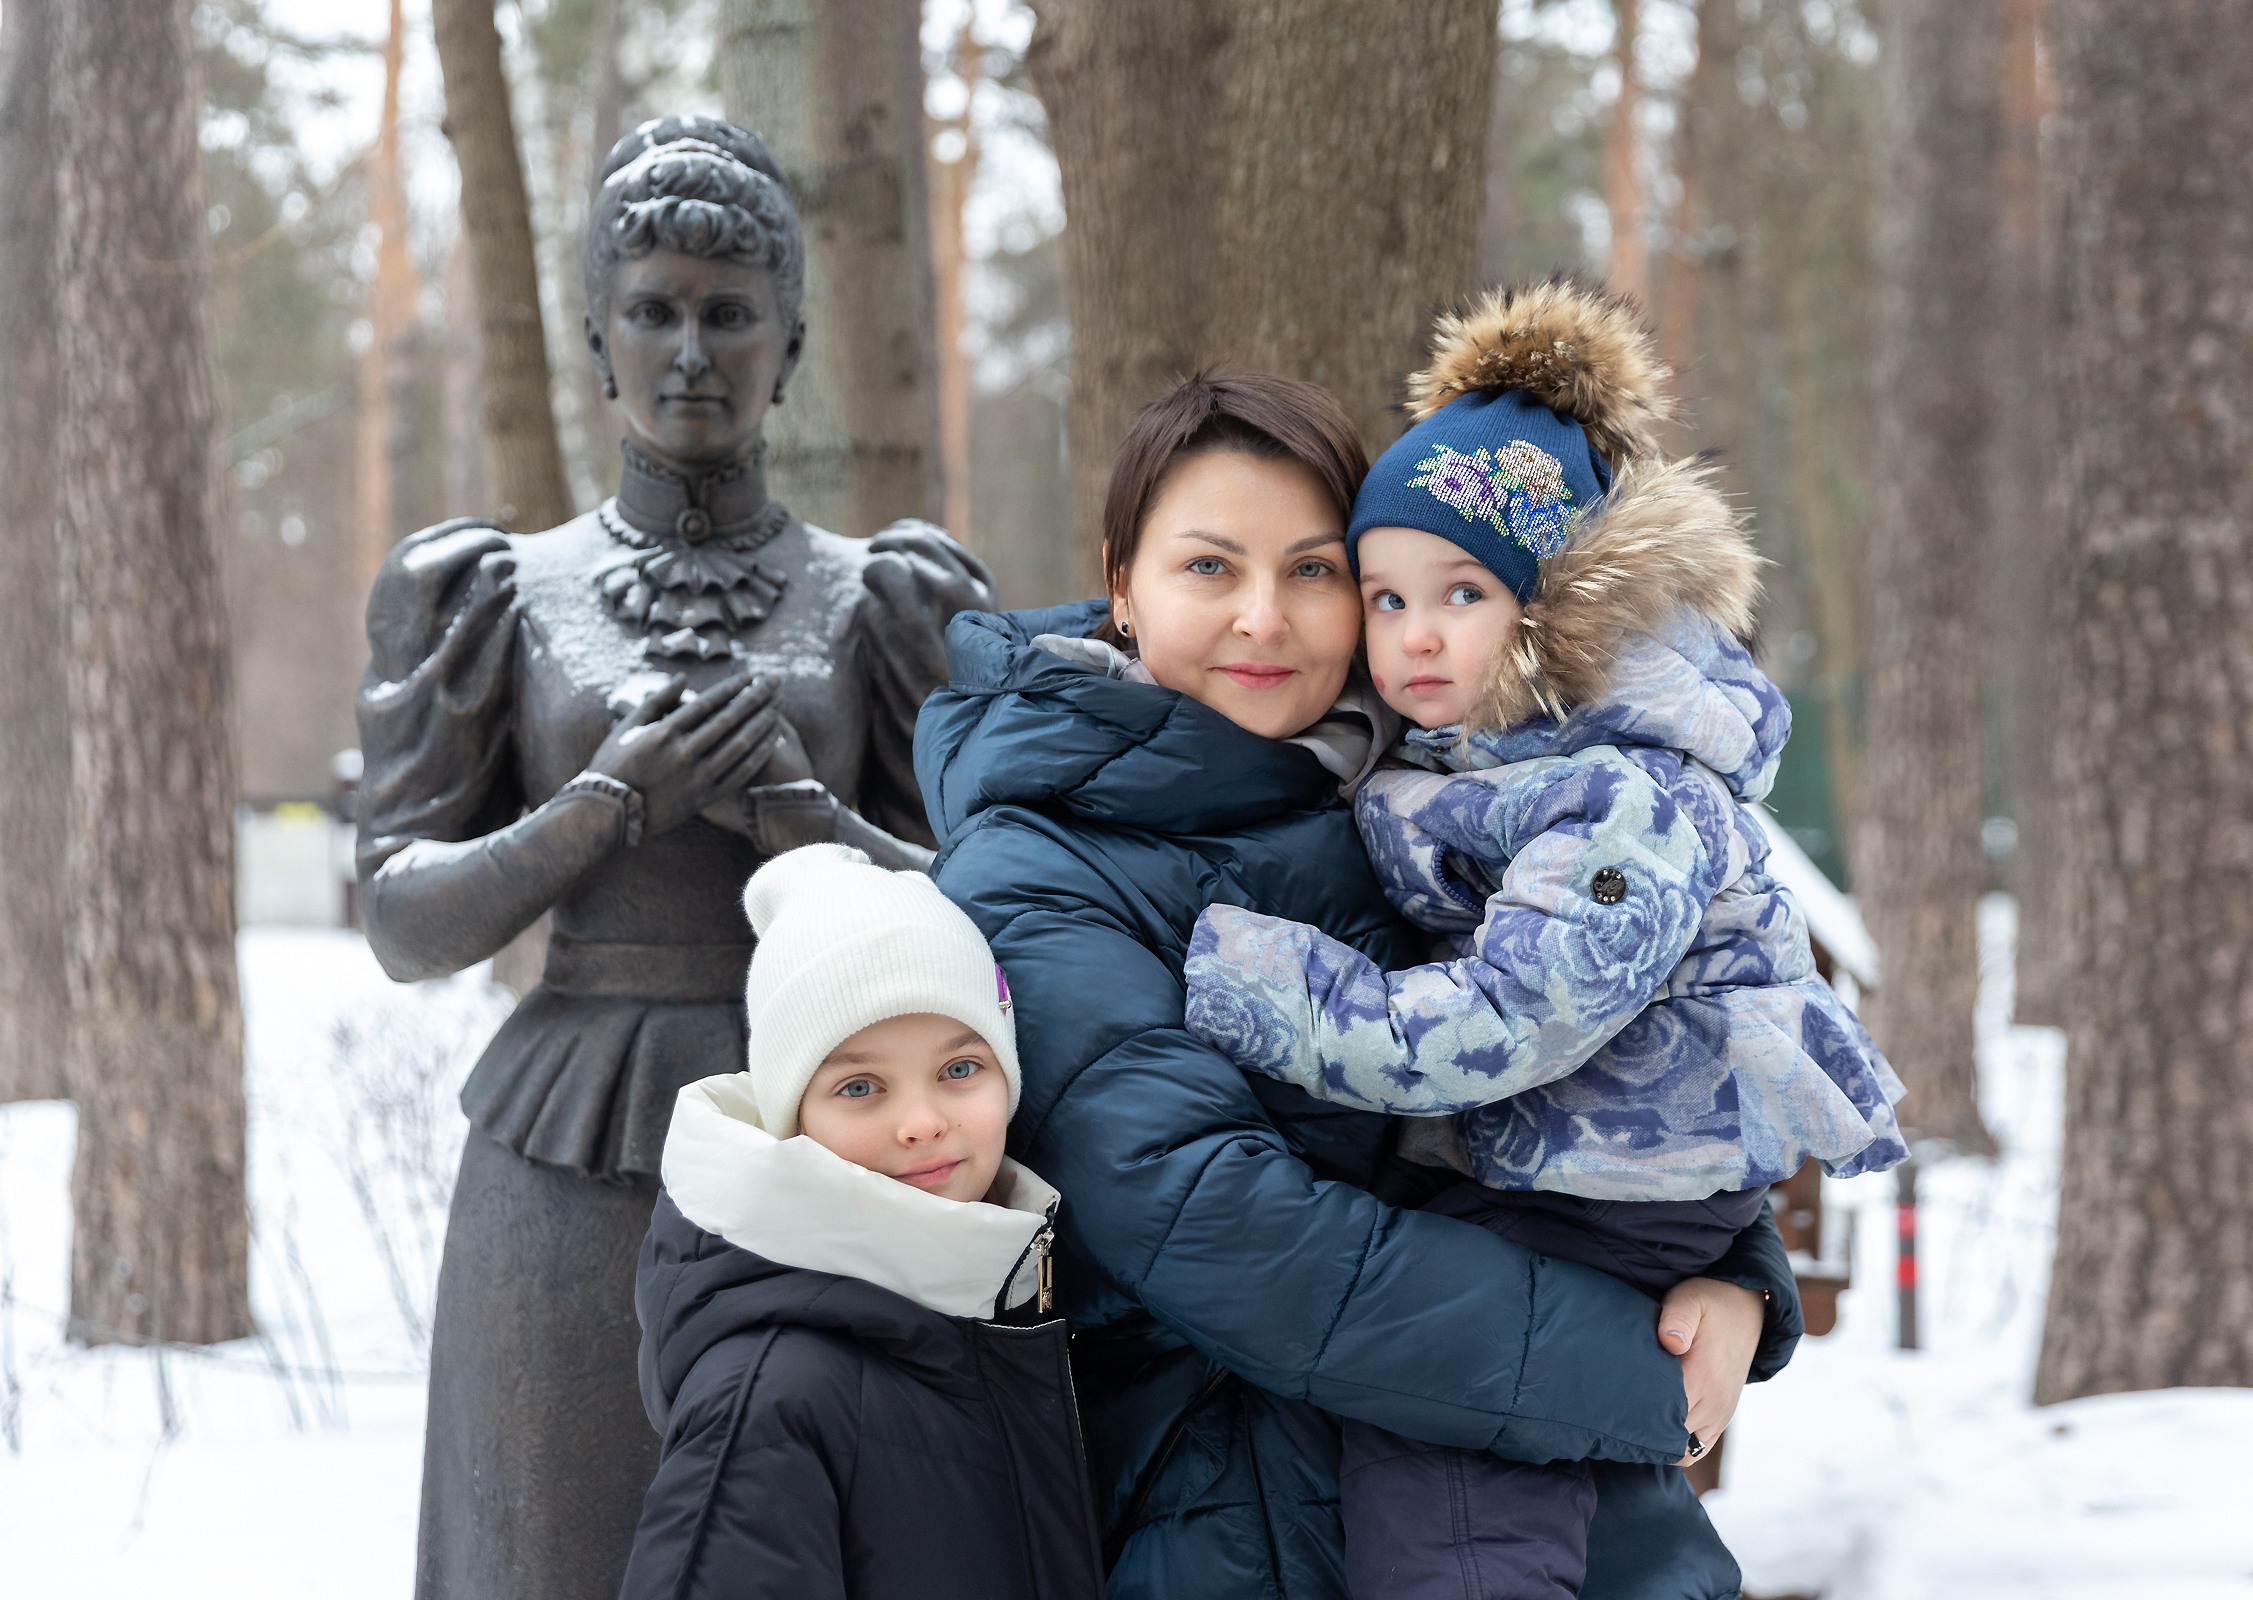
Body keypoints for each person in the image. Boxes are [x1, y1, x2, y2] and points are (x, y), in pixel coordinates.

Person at [913, 369, 1803, 1600]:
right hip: (1241, 1507)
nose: (1265, 619)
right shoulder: (1037, 865)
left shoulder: (1423, 791)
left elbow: (1608, 1042)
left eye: (1315, 570)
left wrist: (1735, 1272)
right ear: (1123, 586)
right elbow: (1214, 1220)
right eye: (1210, 567)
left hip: (1548, 1492)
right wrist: (1631, 1366)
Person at [1179, 282, 1909, 1599]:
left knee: (1449, 1501)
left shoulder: (1623, 796)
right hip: (1555, 1187)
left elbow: (1511, 1021)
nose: (1411, 638)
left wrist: (1263, 980)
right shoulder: (1506, 756)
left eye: (1459, 592)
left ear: (1557, 603)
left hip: (1595, 1199)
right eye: (1385, 598)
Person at [355, 118, 991, 1600]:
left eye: (727, 312)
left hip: (832, 1134)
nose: (689, 349)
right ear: (596, 332)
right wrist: (595, 810)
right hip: (564, 1151)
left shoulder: (885, 596)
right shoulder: (491, 595)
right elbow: (399, 917)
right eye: (652, 309)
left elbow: (989, 900)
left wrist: (801, 823)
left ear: (793, 341)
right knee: (552, 1538)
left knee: (822, 1543)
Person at [618, 843, 1104, 1600]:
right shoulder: (772, 1400)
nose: (920, 1122)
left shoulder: (1008, 1306)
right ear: (791, 1115)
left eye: (958, 1069)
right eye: (861, 1086)